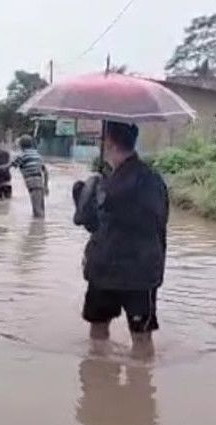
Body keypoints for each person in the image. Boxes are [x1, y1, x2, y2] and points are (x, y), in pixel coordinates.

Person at [73, 121, 169, 359]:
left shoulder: (143, 181)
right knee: (108, 328)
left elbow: (150, 220)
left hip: (133, 271)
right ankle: (117, 383)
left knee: (136, 333)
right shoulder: (140, 179)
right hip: (115, 269)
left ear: (110, 142)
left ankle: (100, 383)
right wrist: (84, 195)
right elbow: (90, 221)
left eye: (103, 140)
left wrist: (106, 197)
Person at [12, 135, 49, 218]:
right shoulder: (37, 155)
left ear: (21, 145)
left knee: (37, 211)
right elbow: (46, 172)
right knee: (41, 209)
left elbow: (11, 165)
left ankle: (38, 229)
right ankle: (40, 228)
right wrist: (46, 186)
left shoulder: (22, 156)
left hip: (32, 183)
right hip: (40, 182)